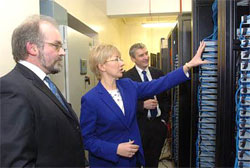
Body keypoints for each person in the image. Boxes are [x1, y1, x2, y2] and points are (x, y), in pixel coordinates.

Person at [80, 42, 207, 167]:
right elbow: (87, 140)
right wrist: (115, 149)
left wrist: (188, 66)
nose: (122, 63)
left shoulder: (128, 85)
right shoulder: (91, 99)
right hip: (108, 162)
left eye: (121, 59)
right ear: (102, 66)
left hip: (131, 161)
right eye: (116, 59)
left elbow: (160, 83)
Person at [0, 15, 85, 167]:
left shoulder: (44, 82)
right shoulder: (11, 89)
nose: (62, 53)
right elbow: (16, 163)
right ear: (32, 48)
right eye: (56, 46)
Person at [123, 43, 170, 167]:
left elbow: (165, 98)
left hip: (158, 125)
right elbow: (124, 103)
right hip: (139, 126)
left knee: (153, 161)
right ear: (133, 59)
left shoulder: (158, 73)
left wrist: (164, 120)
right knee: (136, 162)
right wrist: (142, 105)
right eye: (141, 55)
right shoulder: (127, 77)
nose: (146, 57)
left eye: (146, 53)